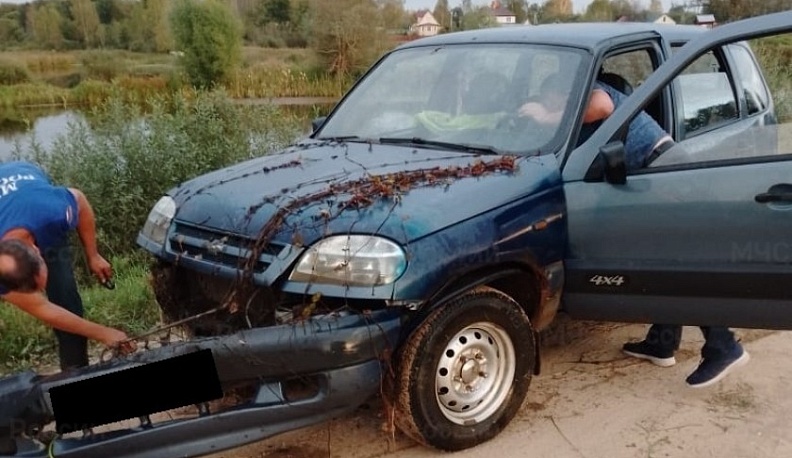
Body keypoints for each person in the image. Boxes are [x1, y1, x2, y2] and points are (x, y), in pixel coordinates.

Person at [521, 77, 749, 388]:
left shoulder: (590, 90)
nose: (551, 108)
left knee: (678, 267)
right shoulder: (575, 104)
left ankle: (724, 347)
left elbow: (603, 106)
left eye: (552, 101)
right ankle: (662, 342)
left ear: (562, 93)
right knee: (663, 264)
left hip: (664, 173)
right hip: (650, 176)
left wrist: (547, 116)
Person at [0, 160, 135, 372]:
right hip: (15, 214)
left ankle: (76, 367)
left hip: (25, 179)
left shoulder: (53, 212)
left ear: (38, 249)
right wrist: (104, 333)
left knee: (65, 295)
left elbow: (79, 199)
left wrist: (93, 255)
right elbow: (42, 308)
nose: (41, 291)